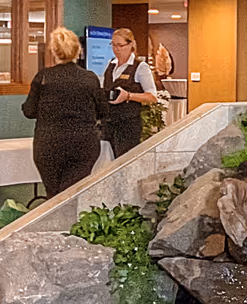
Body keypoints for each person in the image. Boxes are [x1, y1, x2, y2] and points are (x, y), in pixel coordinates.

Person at [22, 25, 106, 195]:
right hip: (83, 144)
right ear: (78, 50)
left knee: (54, 194)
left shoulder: (44, 77)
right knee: (74, 193)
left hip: (49, 144)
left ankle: (55, 221)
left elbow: (29, 111)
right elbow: (103, 111)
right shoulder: (90, 78)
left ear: (54, 51)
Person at [99, 28, 159, 159]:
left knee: (123, 162)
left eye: (120, 45)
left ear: (131, 45)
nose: (116, 49)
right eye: (113, 45)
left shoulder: (140, 67)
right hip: (108, 125)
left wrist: (129, 96)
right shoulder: (110, 65)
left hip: (128, 126)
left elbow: (152, 97)